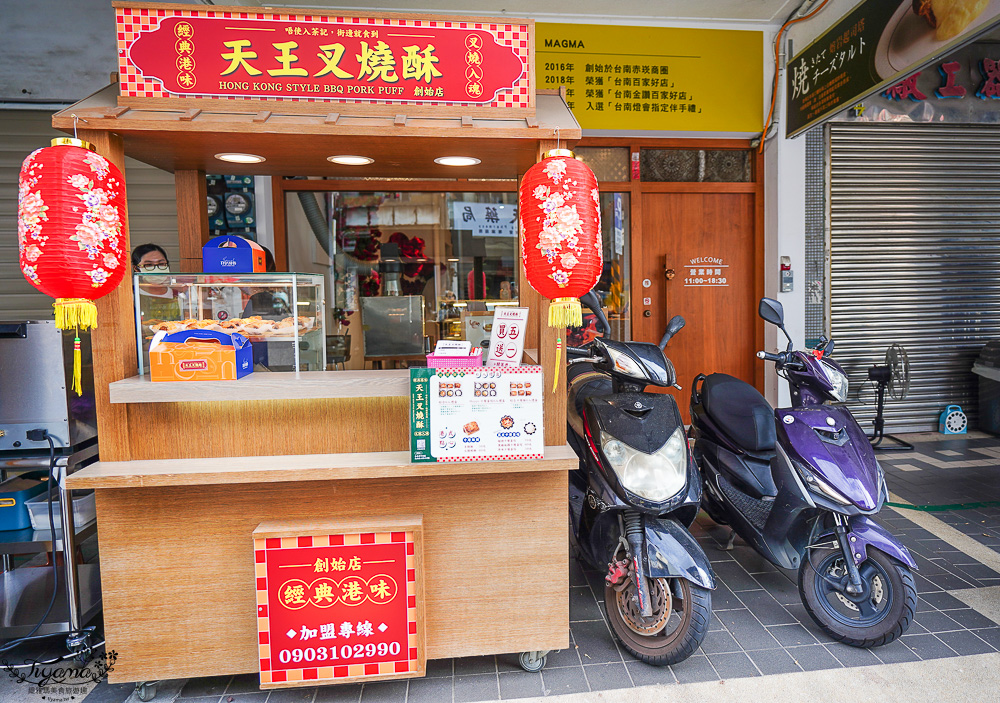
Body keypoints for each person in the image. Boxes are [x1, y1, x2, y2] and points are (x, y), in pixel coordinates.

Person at [131, 243, 182, 320]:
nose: (156, 269)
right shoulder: (131, 295)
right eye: (148, 265)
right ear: (136, 268)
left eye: (161, 264)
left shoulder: (180, 295)